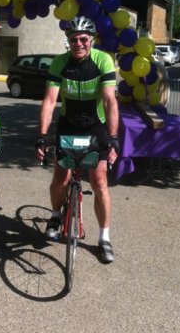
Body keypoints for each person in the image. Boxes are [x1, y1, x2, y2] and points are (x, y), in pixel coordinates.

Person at [35, 16, 119, 263]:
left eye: (83, 39)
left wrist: (113, 138)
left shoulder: (103, 60)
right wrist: (41, 136)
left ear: (91, 40)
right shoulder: (59, 63)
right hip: (68, 126)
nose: (79, 43)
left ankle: (104, 237)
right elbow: (50, 101)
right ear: (68, 41)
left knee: (100, 181)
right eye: (73, 39)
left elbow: (109, 101)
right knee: (60, 177)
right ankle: (55, 214)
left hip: (96, 127)